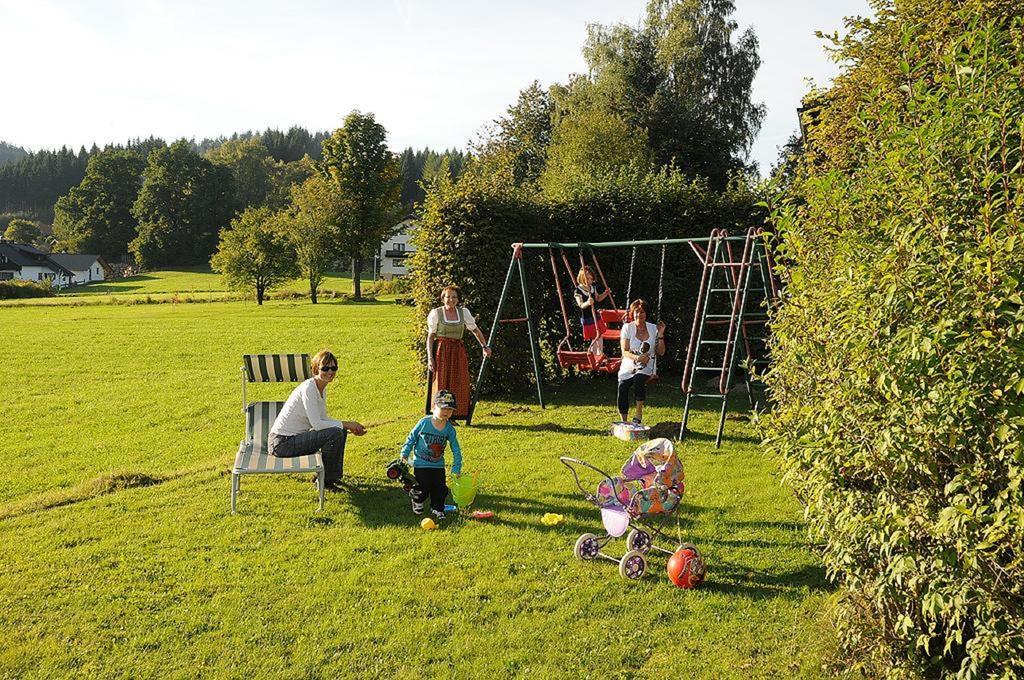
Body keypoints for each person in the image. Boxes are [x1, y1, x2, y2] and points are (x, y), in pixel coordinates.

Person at [268, 349, 367, 490]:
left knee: (340, 430)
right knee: (336, 432)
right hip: (282, 443)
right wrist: (348, 424)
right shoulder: (309, 388)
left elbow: (322, 419)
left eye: (333, 368)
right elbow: (317, 424)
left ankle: (330, 478)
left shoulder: (321, 388)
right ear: (316, 369)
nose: (330, 372)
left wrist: (347, 426)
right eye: (325, 368)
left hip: (294, 438)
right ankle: (324, 481)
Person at [426, 285, 492, 419]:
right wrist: (430, 357)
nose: (451, 299)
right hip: (442, 350)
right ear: (443, 298)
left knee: (459, 379)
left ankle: (456, 414)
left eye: (454, 297)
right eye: (448, 296)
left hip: (458, 350)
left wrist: (484, 346)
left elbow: (475, 330)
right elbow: (431, 337)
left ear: (458, 299)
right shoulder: (436, 313)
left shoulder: (464, 313)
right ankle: (441, 415)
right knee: (442, 381)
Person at [400, 390, 463, 521]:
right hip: (421, 463)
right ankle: (417, 500)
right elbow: (411, 438)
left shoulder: (449, 429)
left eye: (450, 409)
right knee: (424, 486)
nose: (447, 411)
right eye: (443, 407)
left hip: (438, 465)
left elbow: (456, 449)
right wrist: (405, 453)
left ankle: (438, 508)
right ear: (434, 407)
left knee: (440, 488)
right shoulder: (424, 423)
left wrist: (456, 468)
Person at [617, 299, 666, 424]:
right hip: (630, 362)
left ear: (646, 313)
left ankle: (638, 412)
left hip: (648, 363)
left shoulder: (653, 328)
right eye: (636, 312)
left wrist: (660, 334)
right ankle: (624, 420)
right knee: (622, 385)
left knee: (638, 378)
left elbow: (661, 352)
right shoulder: (627, 328)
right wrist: (637, 358)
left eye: (642, 312)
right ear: (632, 313)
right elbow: (625, 351)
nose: (639, 315)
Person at [573, 265, 611, 358]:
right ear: (582, 278)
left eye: (591, 279)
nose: (590, 281)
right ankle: (593, 354)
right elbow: (581, 305)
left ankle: (599, 353)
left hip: (595, 316)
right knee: (595, 336)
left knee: (600, 334)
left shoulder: (592, 287)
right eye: (588, 279)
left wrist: (605, 294)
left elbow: (598, 298)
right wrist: (587, 303)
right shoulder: (578, 291)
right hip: (588, 317)